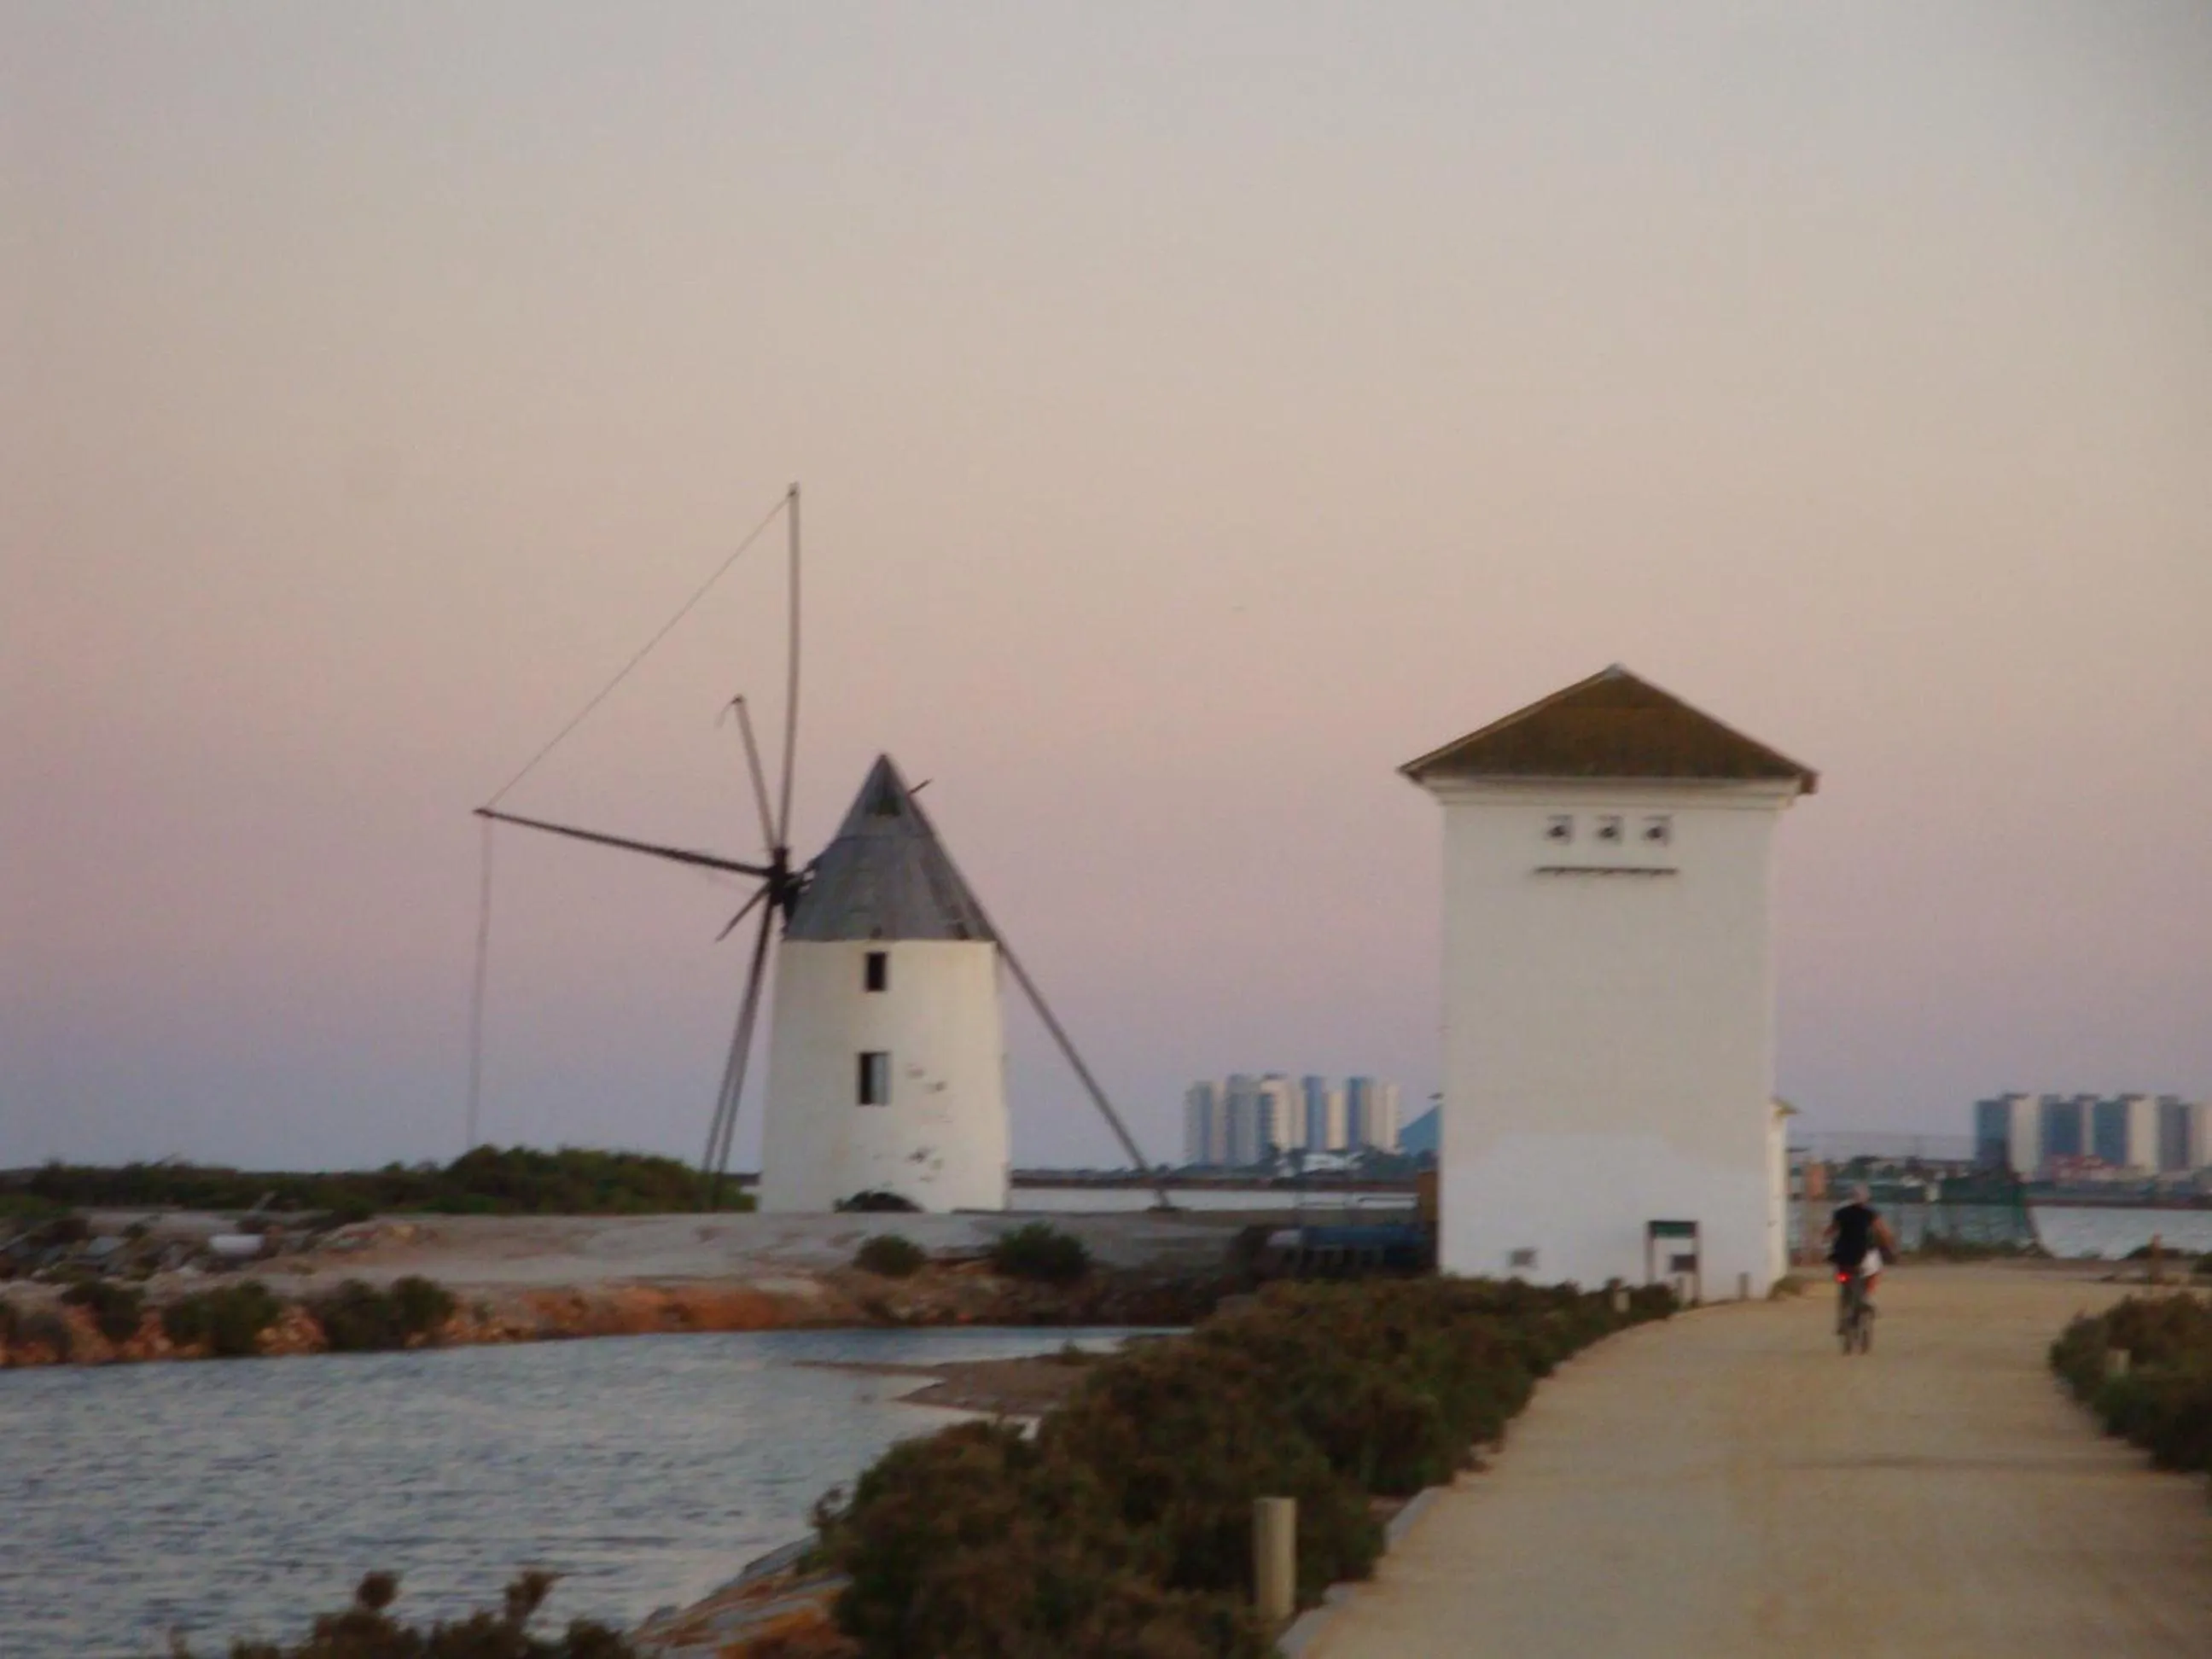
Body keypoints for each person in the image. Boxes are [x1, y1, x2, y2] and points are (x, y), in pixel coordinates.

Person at [1823, 1184, 1898, 1317]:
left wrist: (1825, 1243)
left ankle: (1843, 1320)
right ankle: (1867, 1296)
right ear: (1866, 1198)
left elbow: (1830, 1231)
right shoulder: (1870, 1214)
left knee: (1843, 1278)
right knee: (1876, 1271)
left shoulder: (1841, 1213)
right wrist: (1890, 1247)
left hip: (1842, 1255)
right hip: (1864, 1254)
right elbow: (1883, 1232)